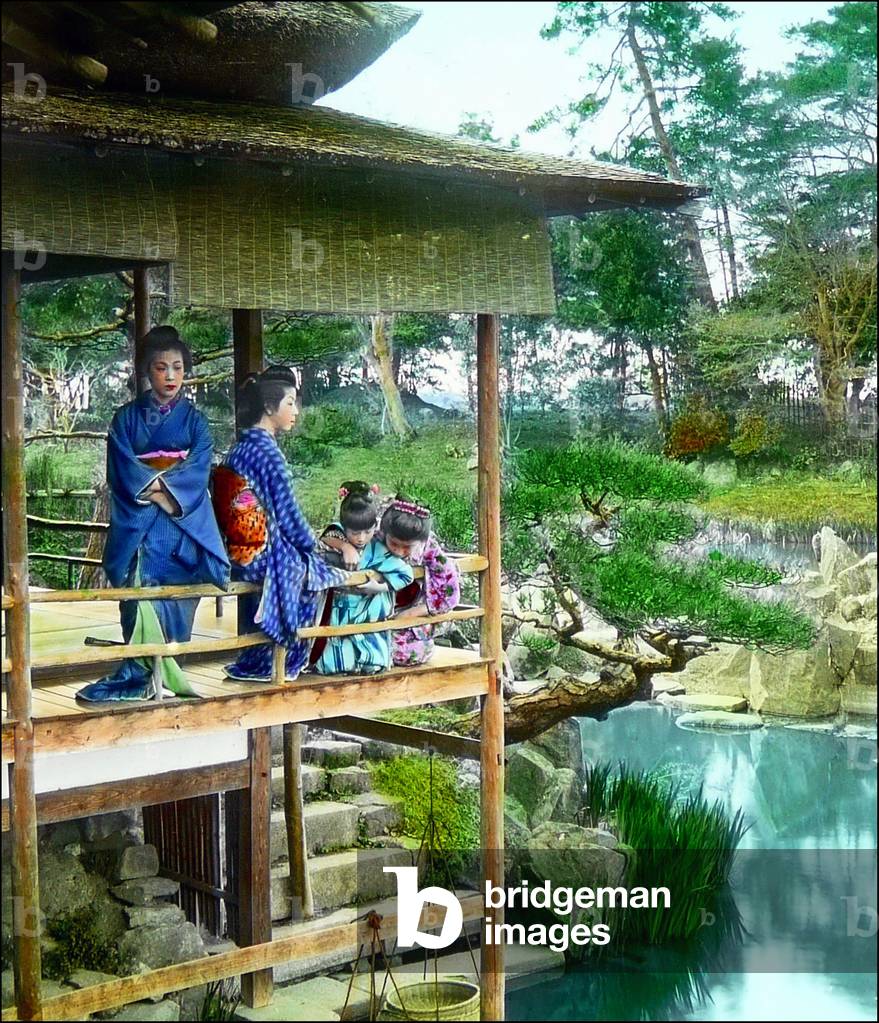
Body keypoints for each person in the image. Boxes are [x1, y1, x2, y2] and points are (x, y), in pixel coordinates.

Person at [78, 326, 230, 702]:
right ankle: (141, 675)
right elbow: (123, 471)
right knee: (139, 596)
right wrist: (161, 491)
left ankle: (169, 671)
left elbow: (198, 469)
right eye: (161, 368)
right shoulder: (125, 419)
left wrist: (169, 494)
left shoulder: (195, 421)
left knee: (176, 600)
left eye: (178, 367)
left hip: (180, 528)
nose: (171, 376)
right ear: (147, 371)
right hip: (142, 526)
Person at [214, 367, 349, 682]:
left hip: (240, 550)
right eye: (290, 403)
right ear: (268, 407)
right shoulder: (268, 454)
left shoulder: (240, 448)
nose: (296, 411)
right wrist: (312, 543)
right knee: (315, 571)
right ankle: (281, 662)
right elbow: (288, 518)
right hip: (263, 550)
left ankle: (256, 660)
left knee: (306, 567)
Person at [312, 482, 415, 675]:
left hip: (369, 611)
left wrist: (380, 587)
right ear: (344, 528)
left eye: (367, 532)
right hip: (341, 610)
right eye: (354, 533)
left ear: (375, 526)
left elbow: (406, 575)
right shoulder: (336, 539)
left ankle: (372, 663)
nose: (361, 538)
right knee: (337, 658)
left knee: (372, 654)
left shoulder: (378, 547)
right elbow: (326, 536)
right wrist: (345, 547)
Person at [378, 495, 461, 667]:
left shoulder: (429, 548)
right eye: (393, 544)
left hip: (410, 615)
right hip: (375, 610)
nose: (399, 552)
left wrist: (412, 613)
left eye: (407, 547)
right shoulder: (375, 539)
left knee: (406, 653)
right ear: (384, 533)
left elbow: (449, 591)